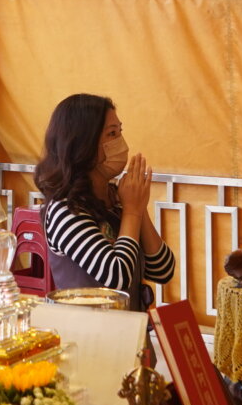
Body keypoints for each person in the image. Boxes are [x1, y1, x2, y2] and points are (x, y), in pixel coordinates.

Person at [35, 94, 175, 311]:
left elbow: (163, 270)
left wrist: (137, 206)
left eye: (120, 132)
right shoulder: (66, 209)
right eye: (111, 134)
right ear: (83, 144)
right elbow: (116, 278)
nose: (121, 142)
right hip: (90, 338)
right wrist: (132, 211)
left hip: (130, 336)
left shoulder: (116, 198)